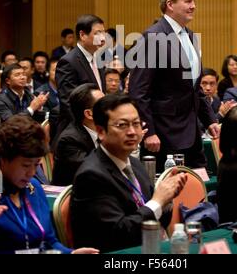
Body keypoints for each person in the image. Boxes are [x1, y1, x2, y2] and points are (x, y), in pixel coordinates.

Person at [71, 94, 187, 253]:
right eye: (122, 125)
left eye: (136, 124)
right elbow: (119, 234)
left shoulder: (135, 164)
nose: (132, 132)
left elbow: (158, 218)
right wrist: (158, 201)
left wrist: (167, 200)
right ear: (100, 131)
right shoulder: (91, 175)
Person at [128, 0, 219, 171]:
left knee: (198, 188)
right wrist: (148, 132)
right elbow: (138, 91)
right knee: (171, 193)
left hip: (192, 132)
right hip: (163, 134)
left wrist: (210, 119)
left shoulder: (191, 36)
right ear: (170, 4)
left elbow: (194, 88)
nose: (193, 6)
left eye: (194, 1)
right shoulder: (153, 38)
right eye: (187, 1)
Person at [0, 115, 99, 254]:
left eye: (37, 165)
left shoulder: (34, 187)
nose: (32, 173)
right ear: (3, 160)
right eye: (26, 165)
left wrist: (70, 253)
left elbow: (49, 242)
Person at [56, 14, 106, 132]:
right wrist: (88, 129)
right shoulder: (68, 62)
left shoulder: (98, 59)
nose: (103, 38)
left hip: (97, 126)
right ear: (83, 35)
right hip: (79, 131)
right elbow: (68, 102)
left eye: (103, 33)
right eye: (98, 33)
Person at [52, 83, 104, 186]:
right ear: (89, 114)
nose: (111, 108)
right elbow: (95, 171)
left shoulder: (104, 130)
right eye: (103, 104)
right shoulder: (69, 140)